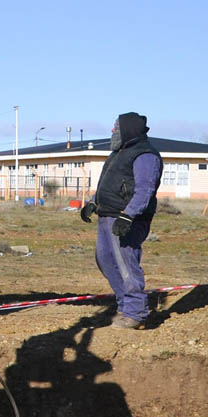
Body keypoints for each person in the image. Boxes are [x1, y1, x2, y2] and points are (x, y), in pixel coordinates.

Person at [80, 112, 163, 329]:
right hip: (107, 216)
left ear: (127, 130)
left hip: (127, 219)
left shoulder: (145, 155)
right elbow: (110, 185)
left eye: (115, 128)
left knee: (126, 264)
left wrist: (129, 215)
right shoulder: (118, 154)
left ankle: (135, 313)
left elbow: (145, 190)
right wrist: (93, 203)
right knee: (105, 260)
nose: (112, 131)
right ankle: (125, 305)